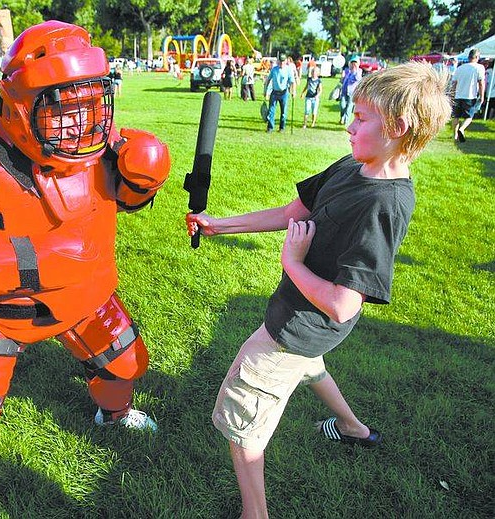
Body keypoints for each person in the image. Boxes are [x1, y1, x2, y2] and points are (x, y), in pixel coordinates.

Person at [0, 20, 171, 508]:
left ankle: (112, 416)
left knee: (126, 366)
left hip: (86, 299)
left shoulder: (98, 141)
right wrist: (38, 260)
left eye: (91, 102)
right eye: (63, 107)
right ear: (21, 105)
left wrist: (142, 178)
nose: (81, 122)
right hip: (3, 313)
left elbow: (121, 198)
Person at [186, 61, 451, 519]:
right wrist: (218, 227)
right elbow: (294, 211)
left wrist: (291, 262)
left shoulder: (382, 206)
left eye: (361, 117)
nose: (349, 127)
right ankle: (353, 428)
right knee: (312, 369)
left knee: (241, 421)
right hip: (307, 327)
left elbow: (344, 304)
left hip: (297, 327)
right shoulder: (353, 166)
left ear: (397, 127)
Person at [451, 48, 485, 142]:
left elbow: (454, 83)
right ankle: (461, 129)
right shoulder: (479, 67)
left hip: (458, 95)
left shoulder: (460, 68)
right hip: (470, 96)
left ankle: (454, 136)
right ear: (477, 57)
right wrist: (482, 96)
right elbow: (481, 83)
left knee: (455, 116)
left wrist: (452, 95)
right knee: (469, 116)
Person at [264, 54, 296, 132]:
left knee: (284, 112)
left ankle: (282, 127)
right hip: (274, 92)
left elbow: (292, 82)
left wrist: (294, 91)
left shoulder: (289, 70)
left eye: (283, 61)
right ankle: (270, 128)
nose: (281, 63)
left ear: (285, 61)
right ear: (278, 61)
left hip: (284, 93)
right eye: (280, 61)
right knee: (271, 111)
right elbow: (268, 80)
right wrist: (265, 91)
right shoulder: (274, 69)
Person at [339, 56, 362, 125]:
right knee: (342, 106)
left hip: (352, 93)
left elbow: (357, 79)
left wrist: (355, 71)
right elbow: (343, 80)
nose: (353, 65)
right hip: (344, 92)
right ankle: (342, 117)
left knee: (349, 107)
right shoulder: (347, 71)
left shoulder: (358, 72)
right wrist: (342, 78)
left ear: (358, 64)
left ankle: (346, 121)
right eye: (352, 63)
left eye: (355, 63)